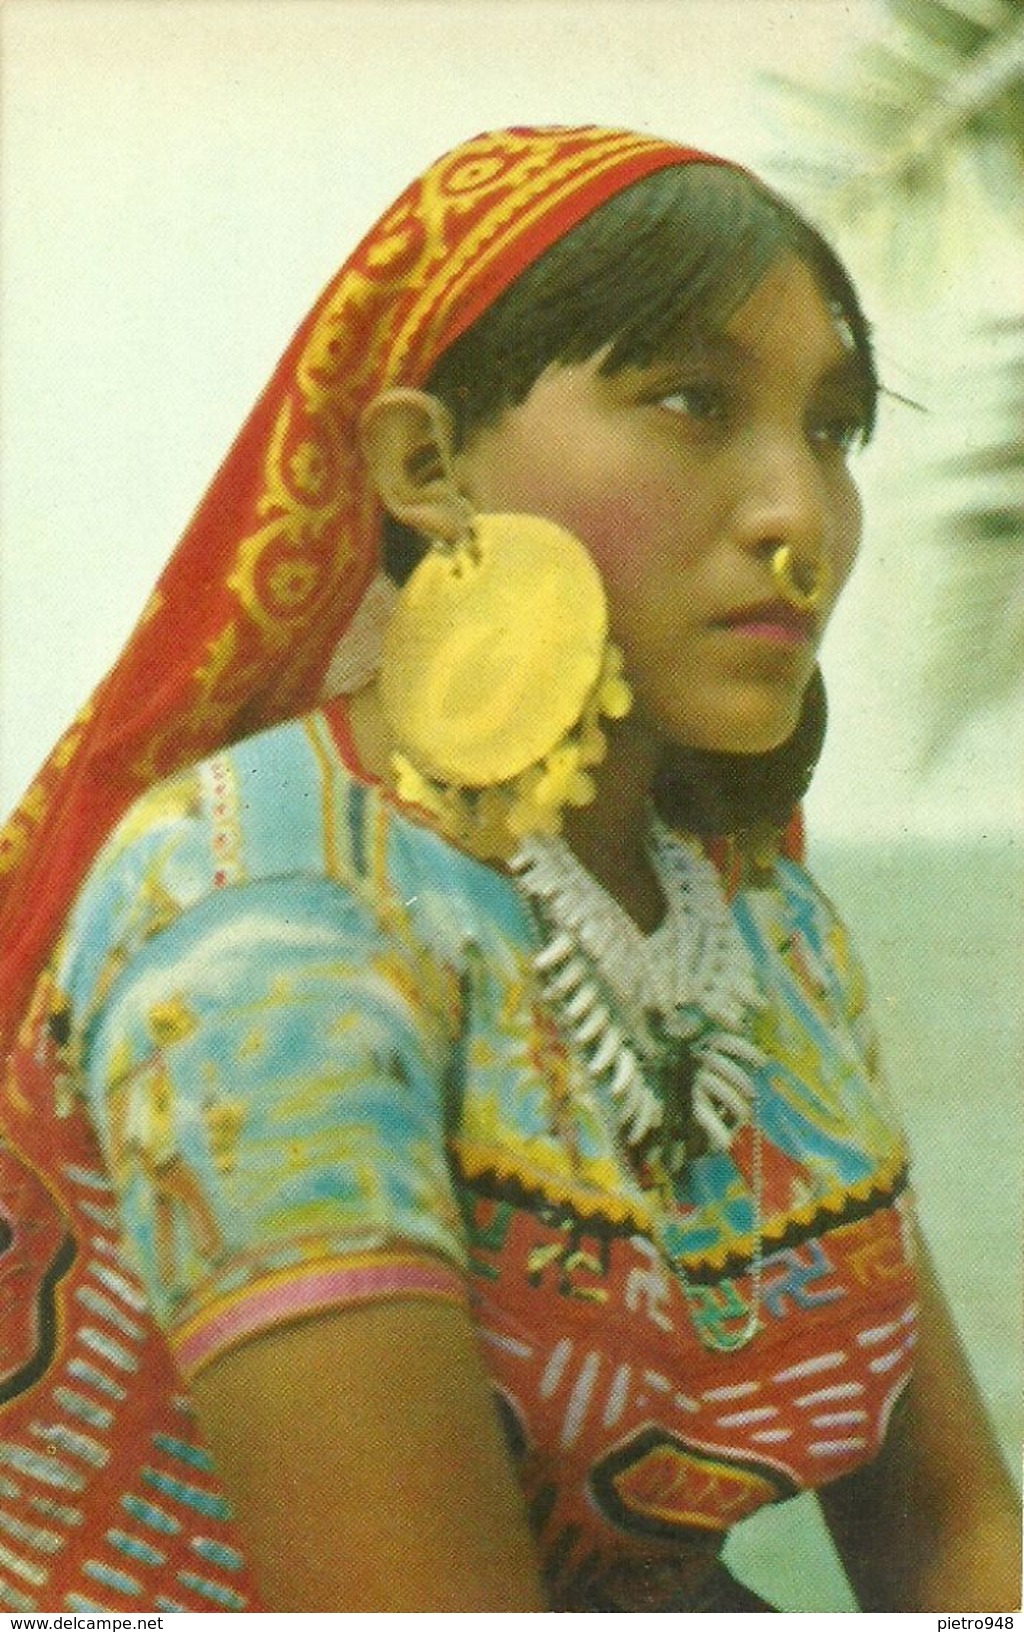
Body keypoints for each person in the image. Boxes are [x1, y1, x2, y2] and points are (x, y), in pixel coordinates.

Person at [0, 125, 1017, 1615]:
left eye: (832, 429)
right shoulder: (268, 918)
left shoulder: (755, 917)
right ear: (426, 464)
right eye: (692, 401)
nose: (799, 516)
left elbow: (951, 1535)